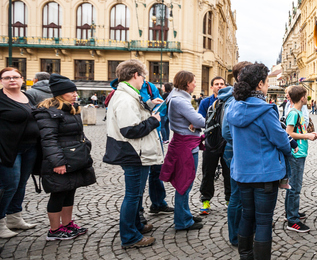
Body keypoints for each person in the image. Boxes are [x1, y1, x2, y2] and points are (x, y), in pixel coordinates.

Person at [226, 63, 291, 260]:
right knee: (263, 221)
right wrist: (288, 146)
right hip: (264, 174)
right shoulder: (265, 110)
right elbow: (281, 140)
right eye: (266, 81)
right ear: (261, 84)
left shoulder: (234, 107)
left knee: (247, 216)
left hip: (242, 171)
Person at [104, 60, 163, 249]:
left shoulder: (127, 95)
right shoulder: (125, 98)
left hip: (134, 152)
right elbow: (130, 130)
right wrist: (153, 121)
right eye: (143, 77)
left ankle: (136, 226)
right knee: (132, 195)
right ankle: (129, 236)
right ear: (135, 75)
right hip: (133, 153)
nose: (144, 81)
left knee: (136, 195)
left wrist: (147, 104)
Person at [34, 75, 96, 240]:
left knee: (70, 190)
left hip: (74, 158)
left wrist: (86, 146)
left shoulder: (71, 108)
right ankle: (54, 230)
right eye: (71, 91)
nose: (75, 94)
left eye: (75, 91)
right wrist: (58, 162)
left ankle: (67, 224)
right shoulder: (47, 113)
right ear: (60, 93)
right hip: (59, 160)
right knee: (58, 193)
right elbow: (48, 140)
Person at [160, 71, 206, 231]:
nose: (195, 84)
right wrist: (210, 121)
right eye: (193, 81)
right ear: (187, 83)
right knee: (184, 183)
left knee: (185, 182)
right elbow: (198, 120)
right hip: (186, 146)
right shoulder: (180, 100)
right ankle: (182, 221)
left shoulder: (176, 96)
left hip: (184, 143)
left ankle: (184, 215)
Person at [0, 67, 39, 238]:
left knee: (22, 183)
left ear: (22, 79)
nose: (12, 80)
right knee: (9, 185)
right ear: (1, 81)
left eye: (15, 77)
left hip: (30, 147)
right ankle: (0, 221)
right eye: (7, 77)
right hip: (8, 148)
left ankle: (14, 217)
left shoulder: (28, 96)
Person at [221, 61, 251, 247]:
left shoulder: (237, 97)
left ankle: (244, 231)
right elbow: (226, 131)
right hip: (235, 150)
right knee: (237, 195)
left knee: (241, 194)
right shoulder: (234, 100)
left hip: (237, 150)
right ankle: (236, 236)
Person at [284, 85, 317, 233]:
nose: (307, 98)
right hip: (295, 154)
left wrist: (310, 134)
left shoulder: (298, 112)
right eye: (306, 96)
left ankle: (290, 213)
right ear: (302, 98)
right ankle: (292, 220)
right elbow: (289, 133)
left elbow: (299, 130)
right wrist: (307, 136)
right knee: (295, 187)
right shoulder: (293, 113)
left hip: (300, 153)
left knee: (293, 185)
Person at [197, 76, 231, 214]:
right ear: (212, 87)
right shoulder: (206, 102)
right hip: (210, 142)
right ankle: (205, 201)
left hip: (226, 142)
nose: (219, 86)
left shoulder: (230, 101)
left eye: (222, 84)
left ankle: (230, 200)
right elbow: (199, 119)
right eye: (216, 84)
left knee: (228, 173)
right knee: (208, 172)